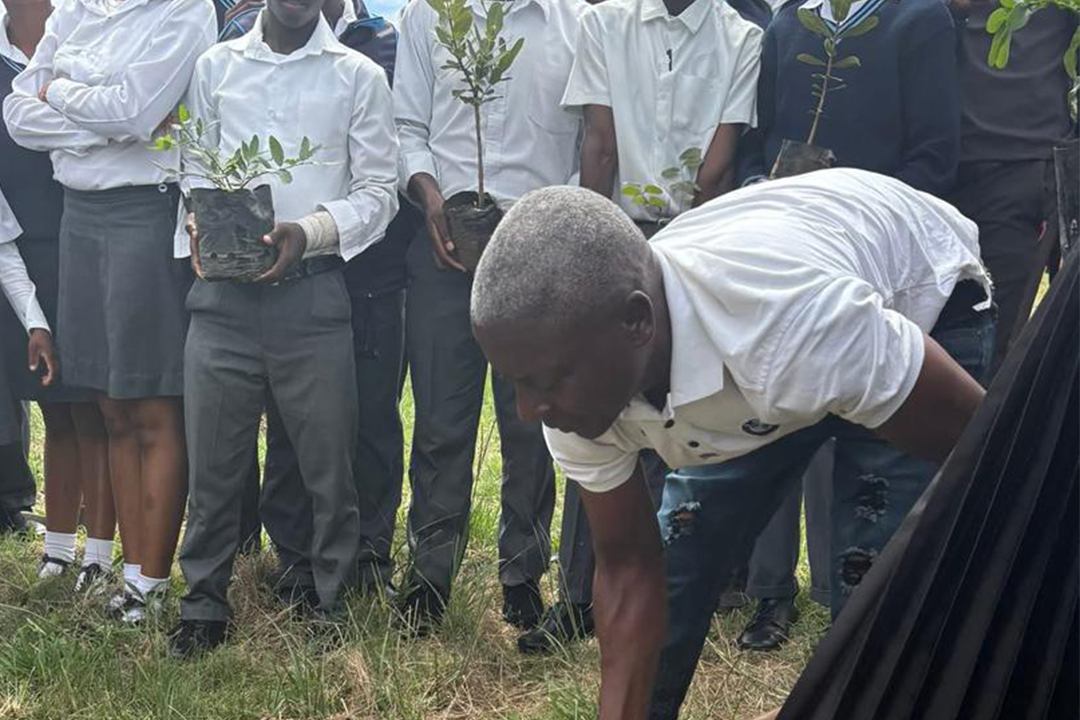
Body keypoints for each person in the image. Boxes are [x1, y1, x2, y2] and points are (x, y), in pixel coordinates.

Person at [469, 169, 994, 720]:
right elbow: (629, 570)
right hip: (763, 366)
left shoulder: (793, 327)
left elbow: (994, 457)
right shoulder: (569, 382)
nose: (530, 411)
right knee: (677, 565)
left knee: (877, 592)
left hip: (917, 290)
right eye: (516, 383)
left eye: (545, 383)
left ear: (636, 324)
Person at [522, 0, 762, 656]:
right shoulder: (607, 23)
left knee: (675, 414)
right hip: (633, 240)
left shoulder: (742, 36)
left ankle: (665, 593)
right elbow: (599, 147)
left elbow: (718, 170)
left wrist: (665, 259)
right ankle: (582, 595)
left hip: (691, 247)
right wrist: (599, 261)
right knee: (597, 416)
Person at [167, 0, 398, 658]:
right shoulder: (214, 68)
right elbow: (192, 164)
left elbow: (380, 190)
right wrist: (196, 221)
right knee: (213, 467)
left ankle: (330, 598)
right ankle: (203, 603)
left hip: (314, 295)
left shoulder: (358, 77)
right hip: (221, 300)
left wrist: (311, 231)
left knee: (329, 466)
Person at [731, 0, 961, 651]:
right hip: (784, 252)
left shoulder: (920, 20)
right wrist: (760, 185)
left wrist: (853, 209)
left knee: (856, 423)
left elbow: (935, 159)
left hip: (871, 256)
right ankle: (769, 594)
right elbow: (760, 139)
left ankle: (847, 596)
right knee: (775, 412)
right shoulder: (788, 25)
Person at [3, 0, 216, 624]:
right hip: (81, 218)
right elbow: (17, 115)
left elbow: (139, 109)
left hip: (142, 217)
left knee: (151, 402)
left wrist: (62, 94)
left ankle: (150, 583)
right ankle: (126, 577)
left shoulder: (184, 10)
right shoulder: (74, 9)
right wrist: (112, 124)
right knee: (108, 402)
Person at [393, 0, 586, 634]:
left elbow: (591, 142)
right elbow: (407, 126)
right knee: (441, 420)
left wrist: (550, 220)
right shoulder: (427, 17)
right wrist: (429, 197)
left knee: (530, 425)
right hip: (444, 252)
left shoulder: (576, 23)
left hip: (538, 259)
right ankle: (429, 574)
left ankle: (522, 573)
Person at [216, 0, 414, 602]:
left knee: (367, 420)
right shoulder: (229, 51)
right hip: (266, 278)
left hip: (365, 273)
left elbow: (387, 174)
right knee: (287, 427)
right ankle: (295, 561)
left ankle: (367, 560)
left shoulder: (376, 49)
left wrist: (319, 232)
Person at [0, 0, 115, 590]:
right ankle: (58, 550)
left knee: (98, 410)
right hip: (24, 256)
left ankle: (99, 555)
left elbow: (119, 125)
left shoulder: (86, 34)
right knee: (56, 410)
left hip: (94, 237)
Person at [947, 0, 1078, 375]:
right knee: (963, 325)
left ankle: (992, 426)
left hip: (1023, 162)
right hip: (950, 165)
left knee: (998, 333)